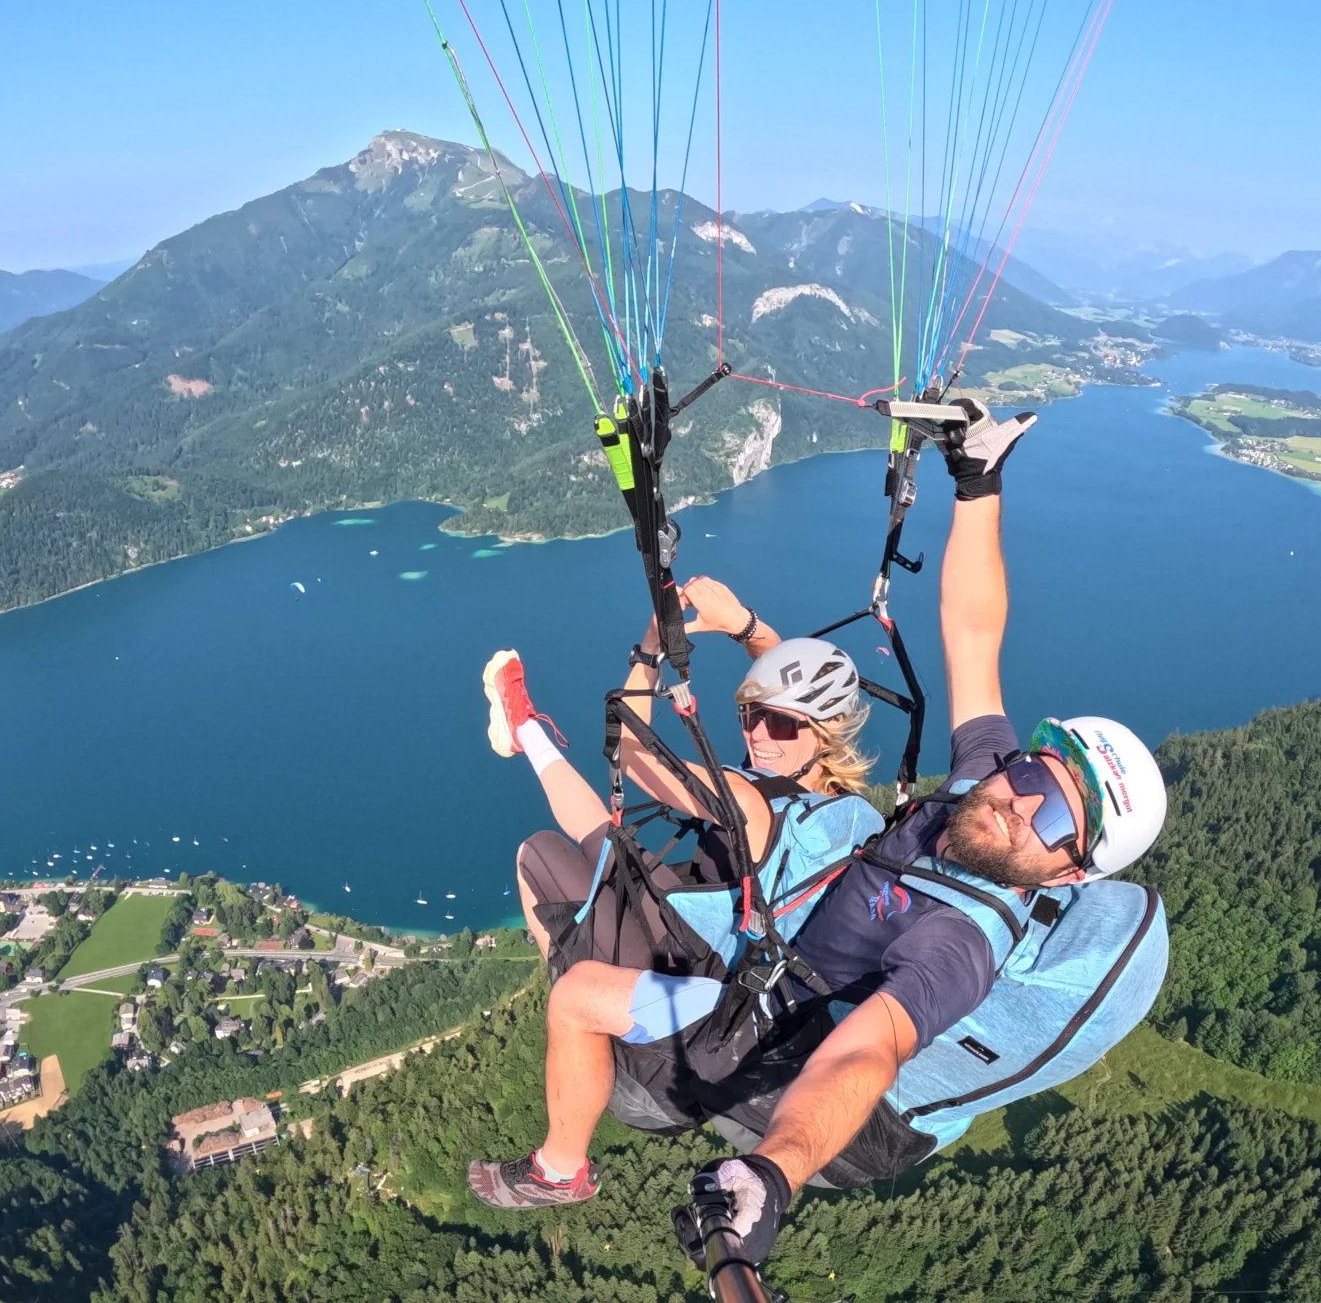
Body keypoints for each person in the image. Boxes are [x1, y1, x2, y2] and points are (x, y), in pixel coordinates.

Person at [468, 401, 1168, 1261]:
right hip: (756, 967)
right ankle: (531, 740)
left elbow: (867, 1053)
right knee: (602, 856)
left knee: (577, 981)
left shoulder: (961, 941)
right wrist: (979, 479)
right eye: (1030, 774)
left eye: (1054, 818)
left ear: (1068, 873)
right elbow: (972, 634)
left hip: (763, 1036)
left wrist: (775, 1172)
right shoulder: (978, 786)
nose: (1020, 802)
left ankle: (561, 1167)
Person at [468, 579, 886, 1208]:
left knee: (541, 865)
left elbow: (632, 749)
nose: (758, 735)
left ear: (822, 733)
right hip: (739, 963)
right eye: (749, 715)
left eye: (777, 723)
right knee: (607, 844)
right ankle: (525, 728)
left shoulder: (748, 802)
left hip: (707, 1008)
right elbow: (789, 690)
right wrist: (746, 627)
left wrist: (652, 643)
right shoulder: (847, 808)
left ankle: (561, 1168)